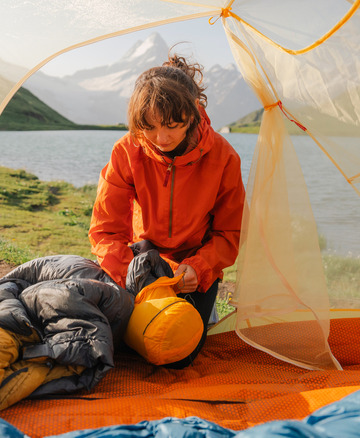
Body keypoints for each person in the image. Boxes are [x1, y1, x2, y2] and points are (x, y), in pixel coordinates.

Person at [89, 53, 246, 368]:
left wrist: (199, 269)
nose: (161, 139)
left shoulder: (224, 158)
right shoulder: (127, 151)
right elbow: (105, 231)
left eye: (172, 126)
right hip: (141, 259)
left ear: (192, 113)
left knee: (177, 356)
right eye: (149, 127)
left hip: (193, 266)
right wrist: (132, 276)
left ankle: (201, 307)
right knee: (117, 345)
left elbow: (229, 234)